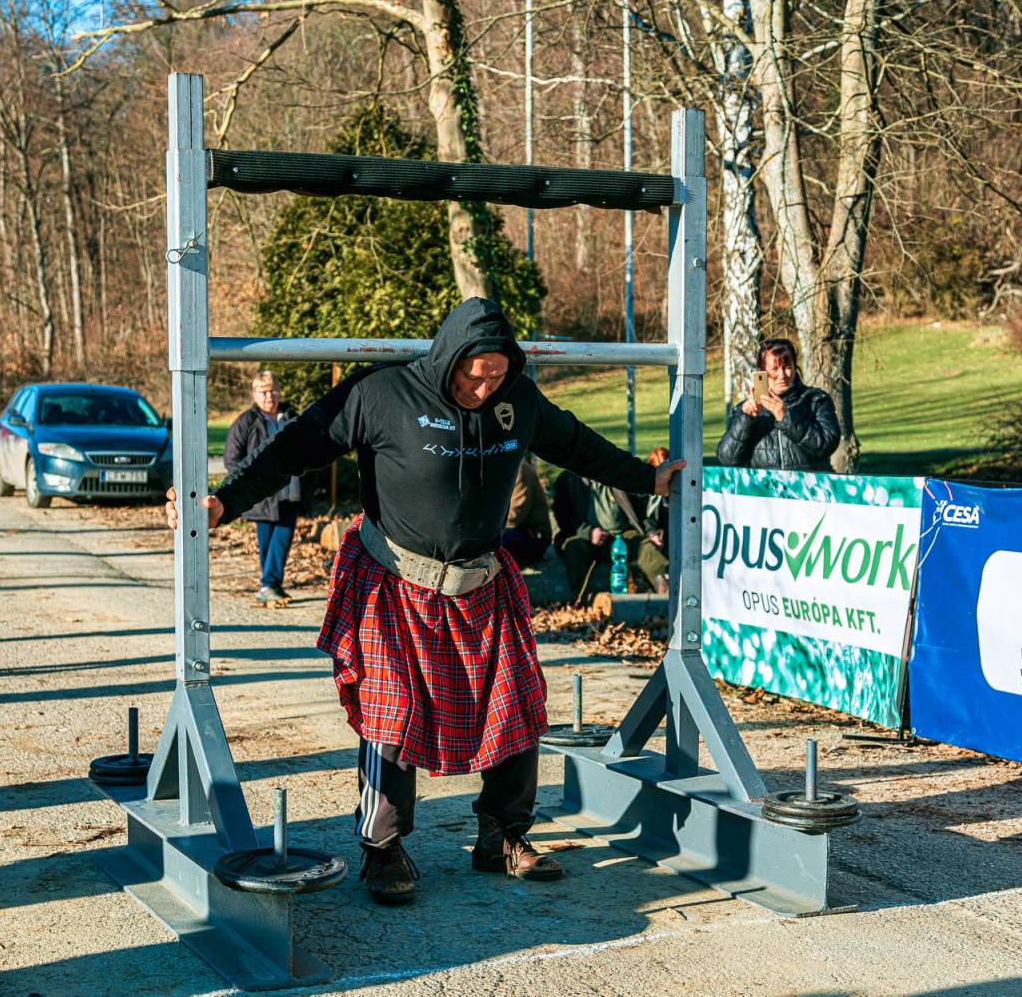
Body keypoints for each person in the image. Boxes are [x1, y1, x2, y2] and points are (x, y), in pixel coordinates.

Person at [166, 296, 684, 906]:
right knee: (392, 714)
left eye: (496, 376)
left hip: (482, 584)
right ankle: (383, 849)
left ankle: (502, 835)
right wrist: (226, 502)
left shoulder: (518, 401)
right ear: (448, 357)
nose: (483, 389)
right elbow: (295, 448)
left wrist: (646, 479)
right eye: (473, 375)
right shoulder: (381, 394)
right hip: (395, 583)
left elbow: (577, 445)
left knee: (515, 707)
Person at [223, 370, 302, 602]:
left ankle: (269, 584)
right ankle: (269, 584)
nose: (270, 396)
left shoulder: (291, 417)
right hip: (262, 494)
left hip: (290, 491)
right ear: (254, 394)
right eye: (264, 391)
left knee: (282, 539)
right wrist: (250, 483)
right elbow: (231, 458)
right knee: (268, 542)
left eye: (273, 391)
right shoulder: (246, 421)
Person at [716, 337, 839, 471]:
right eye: (774, 369)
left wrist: (786, 418)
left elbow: (827, 446)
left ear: (795, 367)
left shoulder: (816, 400)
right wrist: (745, 420)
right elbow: (727, 460)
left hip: (809, 484)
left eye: (787, 367)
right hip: (766, 485)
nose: (782, 375)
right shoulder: (745, 410)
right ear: (761, 372)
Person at [552, 469, 669, 599]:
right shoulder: (568, 479)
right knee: (573, 547)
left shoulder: (620, 473)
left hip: (624, 535)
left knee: (647, 548)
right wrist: (588, 532)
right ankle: (584, 600)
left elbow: (641, 510)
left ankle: (667, 594)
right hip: (586, 538)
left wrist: (651, 532)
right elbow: (563, 516)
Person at [499, 455, 551, 568]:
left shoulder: (518, 469)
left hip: (534, 538)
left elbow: (513, 518)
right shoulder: (501, 467)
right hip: (515, 531)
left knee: (490, 541)